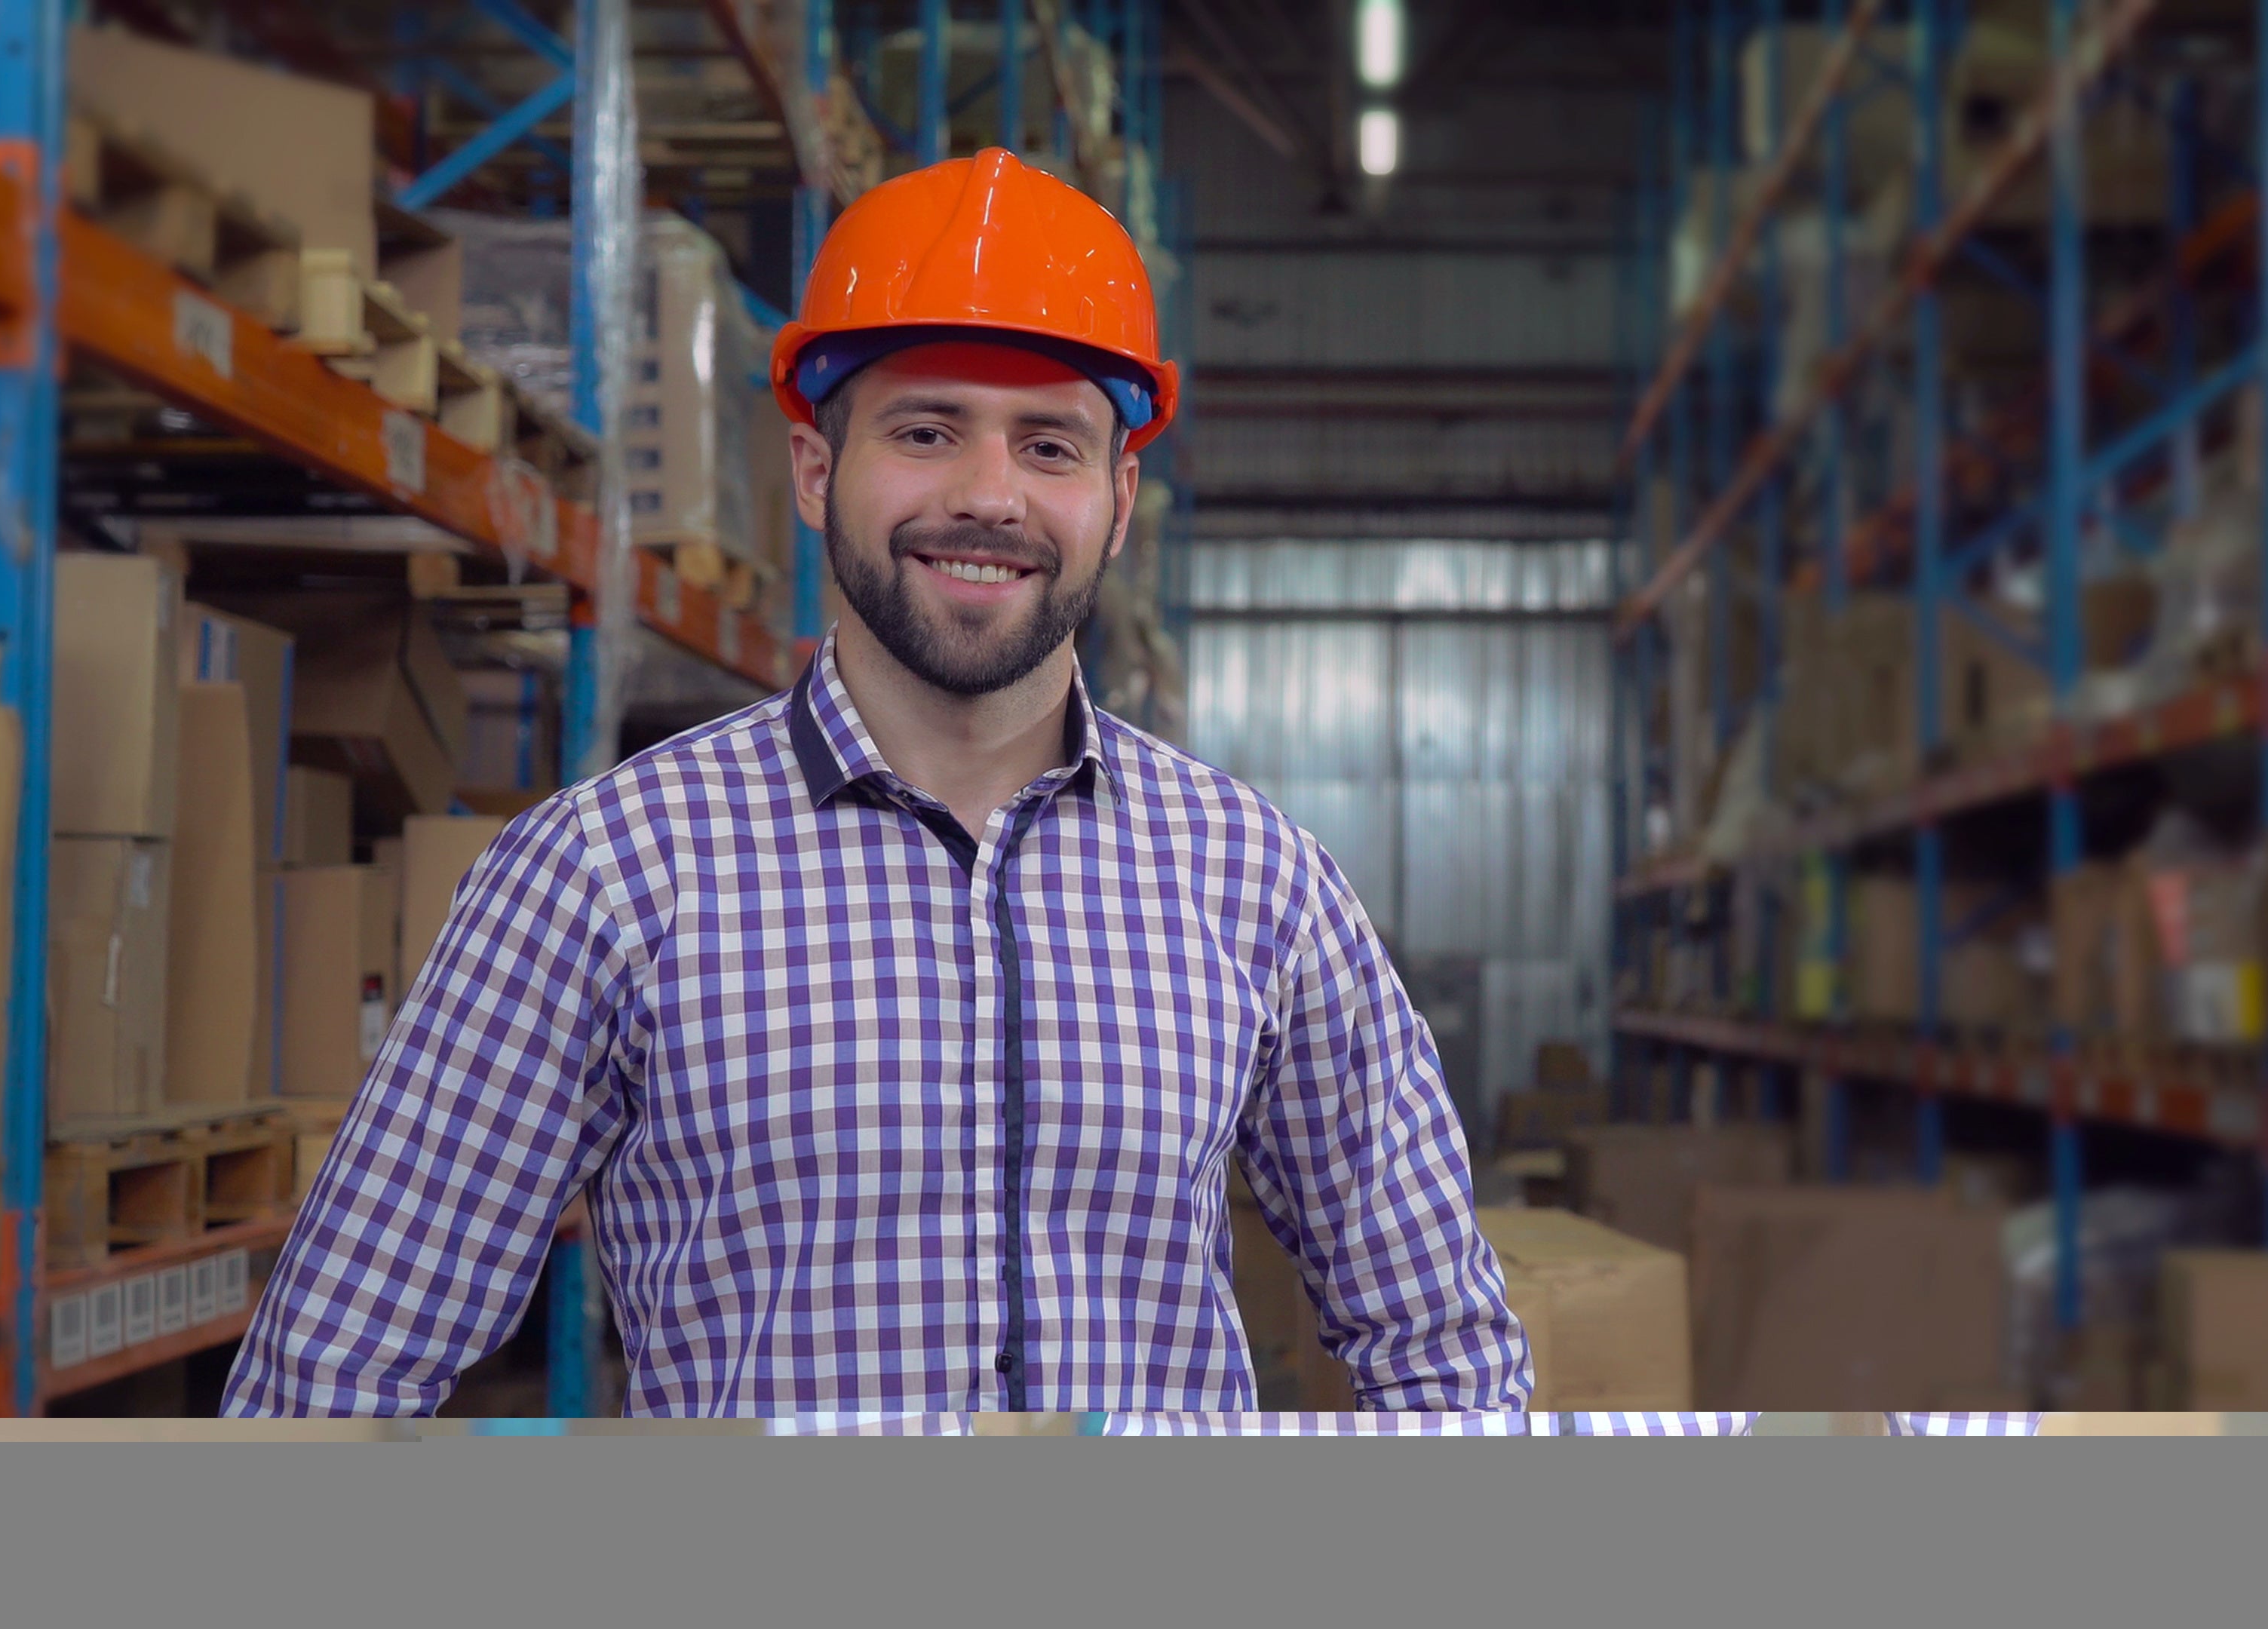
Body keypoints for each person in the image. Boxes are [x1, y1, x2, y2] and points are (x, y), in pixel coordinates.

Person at [224, 150, 1527, 1416]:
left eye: (1051, 447)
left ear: (1120, 503)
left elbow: (1446, 1353)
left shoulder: (1257, 883)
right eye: (925, 429)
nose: (988, 496)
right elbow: (336, 1377)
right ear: (813, 470)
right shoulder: (607, 873)